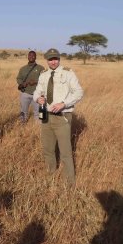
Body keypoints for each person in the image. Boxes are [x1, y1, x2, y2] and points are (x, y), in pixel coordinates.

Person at [33, 48, 83, 185]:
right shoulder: (43, 74)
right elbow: (37, 91)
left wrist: (64, 104)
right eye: (50, 59)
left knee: (65, 152)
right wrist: (38, 99)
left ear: (59, 59)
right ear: (47, 60)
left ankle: (69, 183)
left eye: (55, 59)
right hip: (46, 116)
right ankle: (51, 176)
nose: (53, 62)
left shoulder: (68, 73)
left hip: (62, 116)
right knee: (48, 149)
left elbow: (79, 92)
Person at [16, 51, 44, 122]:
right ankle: (22, 126)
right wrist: (22, 84)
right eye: (30, 55)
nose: (31, 57)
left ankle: (37, 129)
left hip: (37, 94)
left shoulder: (41, 68)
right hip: (25, 93)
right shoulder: (23, 68)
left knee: (38, 113)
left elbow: (45, 80)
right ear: (27, 57)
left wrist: (35, 82)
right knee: (23, 111)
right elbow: (18, 78)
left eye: (33, 55)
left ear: (35, 57)